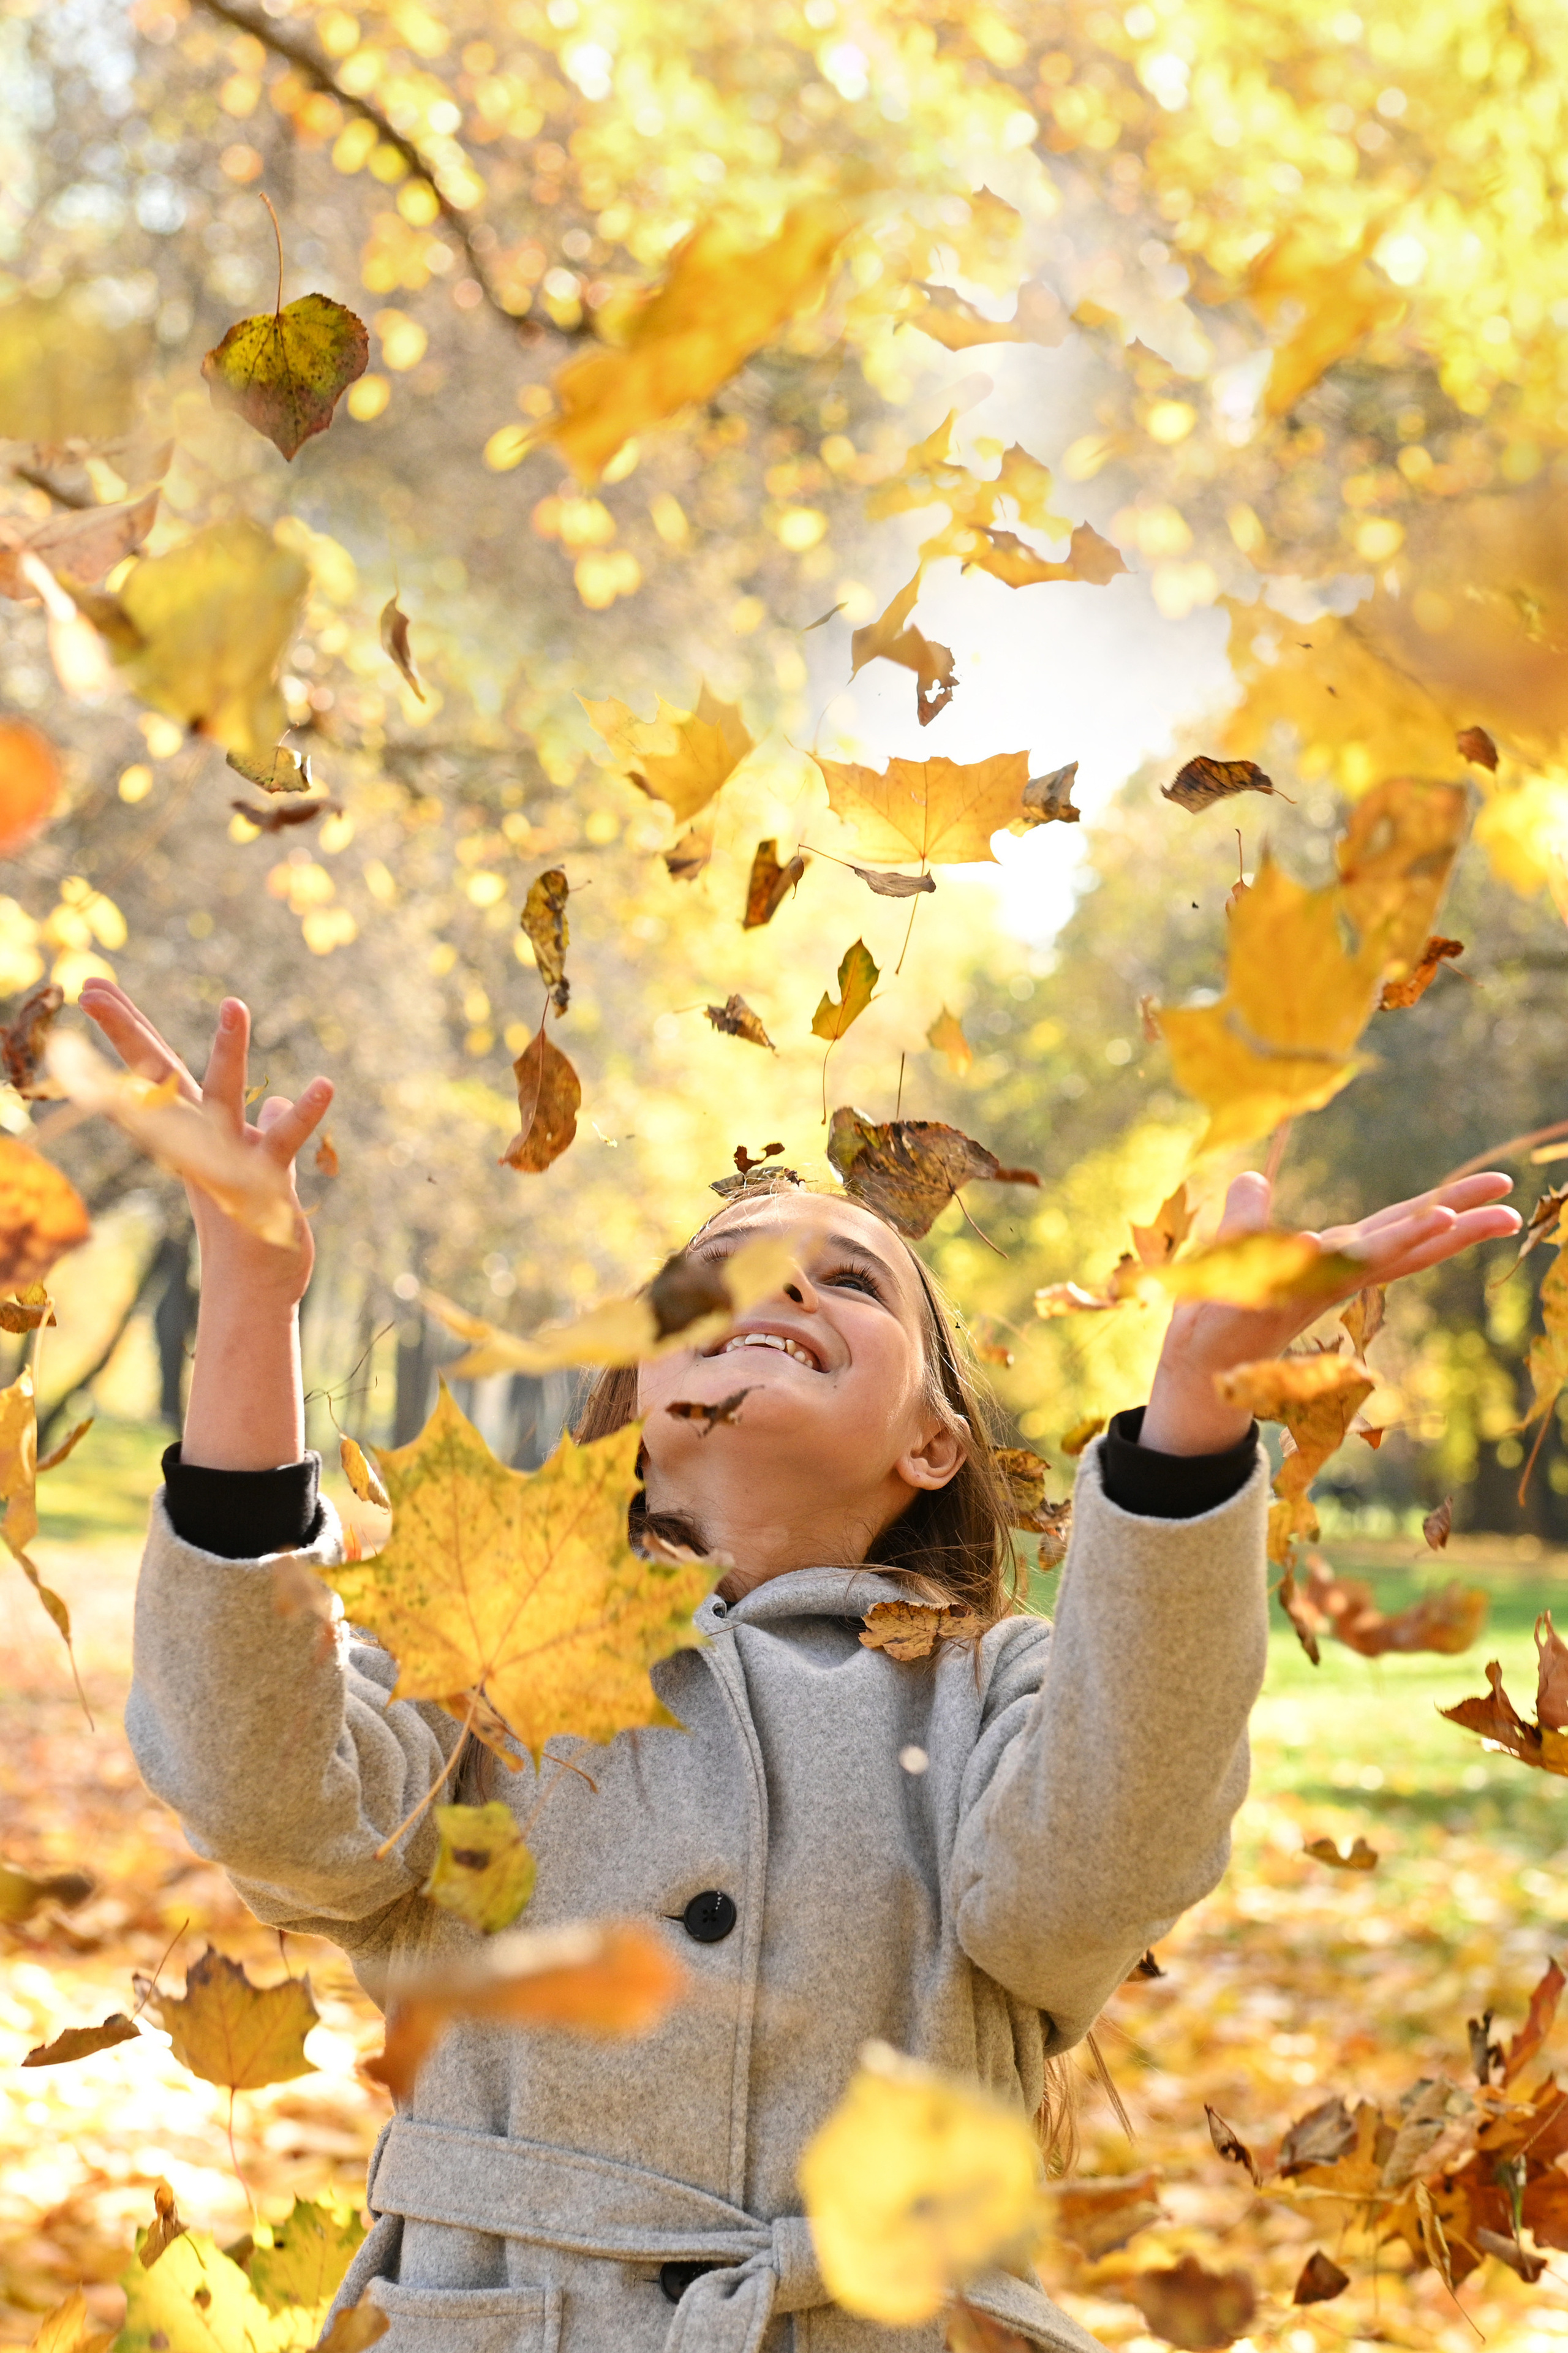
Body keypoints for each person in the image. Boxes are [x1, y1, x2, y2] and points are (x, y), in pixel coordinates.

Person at [80, 978, 1519, 2353]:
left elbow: (1092, 1866)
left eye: (850, 1279)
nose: (779, 1284)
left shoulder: (990, 1693)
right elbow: (269, 1791)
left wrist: (1195, 1412)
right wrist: (250, 1302)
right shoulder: (483, 1636)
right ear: (637, 1399)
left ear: (931, 1441)